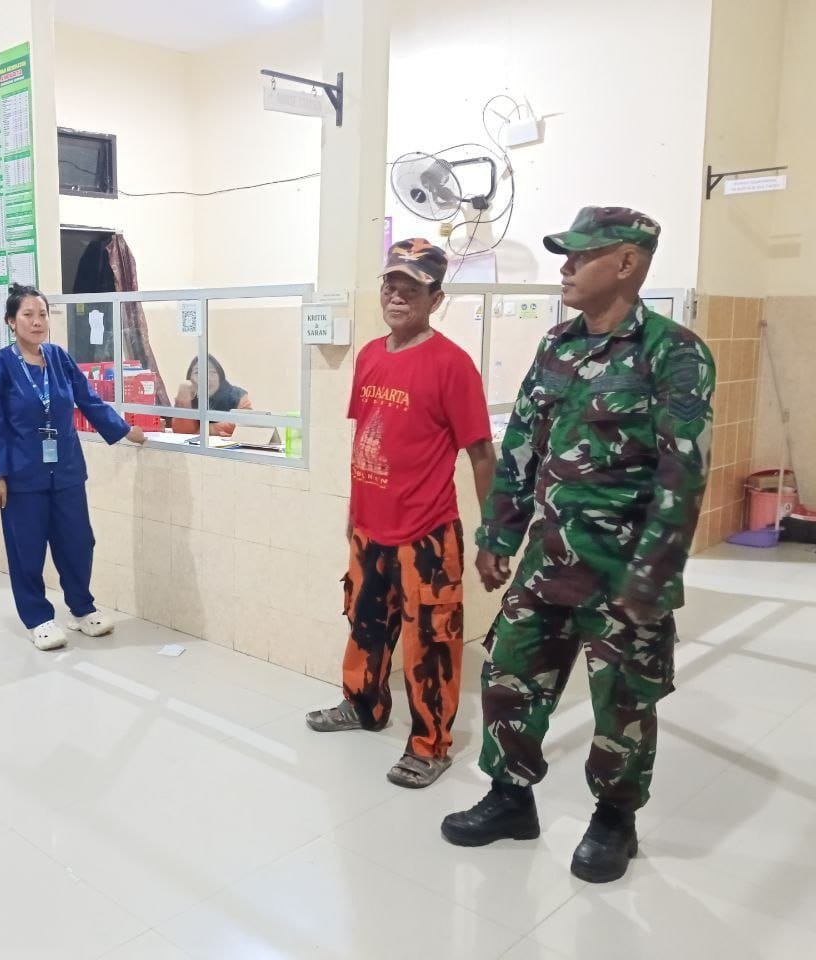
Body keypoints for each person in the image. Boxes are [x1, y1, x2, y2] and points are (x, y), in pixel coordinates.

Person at [440, 207, 715, 884]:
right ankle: (510, 798)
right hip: (549, 560)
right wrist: (498, 533)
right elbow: (520, 446)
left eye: (580, 256)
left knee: (623, 702)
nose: (565, 268)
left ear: (626, 263)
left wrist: (652, 576)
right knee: (509, 676)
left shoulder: (673, 353)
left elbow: (683, 475)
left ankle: (615, 820)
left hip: (624, 571)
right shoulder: (557, 345)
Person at [306, 238, 496, 790]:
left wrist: (493, 534)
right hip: (370, 528)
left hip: (427, 532)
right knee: (365, 623)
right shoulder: (370, 355)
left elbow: (482, 454)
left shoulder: (453, 365)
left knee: (431, 641)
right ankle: (363, 705)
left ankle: (430, 744)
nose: (396, 295)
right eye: (390, 284)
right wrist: (354, 510)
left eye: (411, 288)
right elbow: (368, 436)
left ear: (436, 299)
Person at [0, 283, 146, 651]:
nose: (37, 321)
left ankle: (82, 609)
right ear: (11, 321)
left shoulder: (58, 358)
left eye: (42, 314)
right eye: (28, 315)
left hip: (66, 469)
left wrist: (123, 429)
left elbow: (88, 399)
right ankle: (37, 618)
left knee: (78, 541)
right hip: (22, 475)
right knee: (27, 548)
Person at [171, 355, 252, 437]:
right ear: (190, 378)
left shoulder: (237, 395)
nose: (206, 378)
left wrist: (209, 429)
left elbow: (244, 425)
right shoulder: (189, 396)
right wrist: (184, 401)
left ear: (220, 376)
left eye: (212, 372)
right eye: (197, 372)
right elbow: (182, 433)